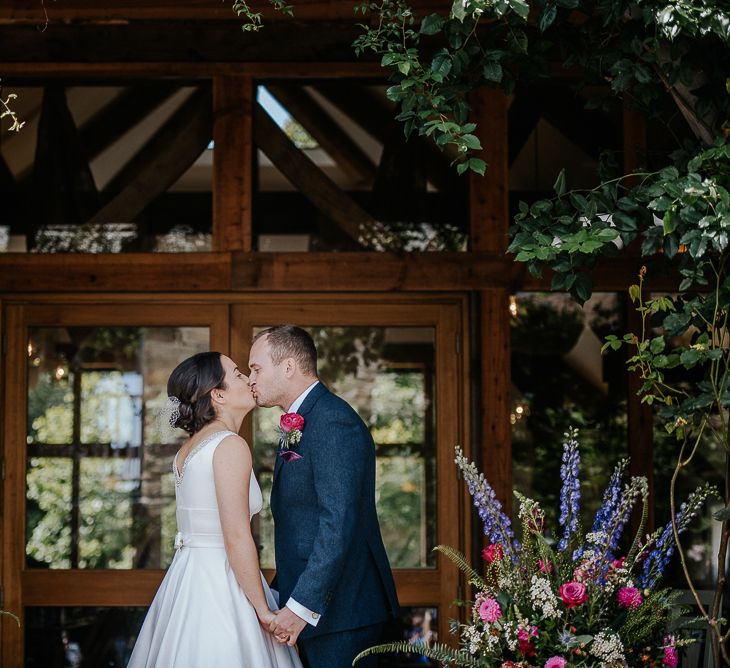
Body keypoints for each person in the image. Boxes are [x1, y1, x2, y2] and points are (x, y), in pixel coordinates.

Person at [128, 352, 301, 668]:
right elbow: (235, 536)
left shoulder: (189, 449)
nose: (248, 379)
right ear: (218, 394)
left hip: (188, 578)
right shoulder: (229, 446)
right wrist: (263, 611)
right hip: (221, 584)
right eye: (237, 374)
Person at [248, 325, 400, 668]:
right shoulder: (300, 421)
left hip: (342, 615)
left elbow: (338, 522)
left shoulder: (332, 421)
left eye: (257, 368)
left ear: (287, 367)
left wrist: (300, 606)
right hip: (318, 613)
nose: (251, 379)